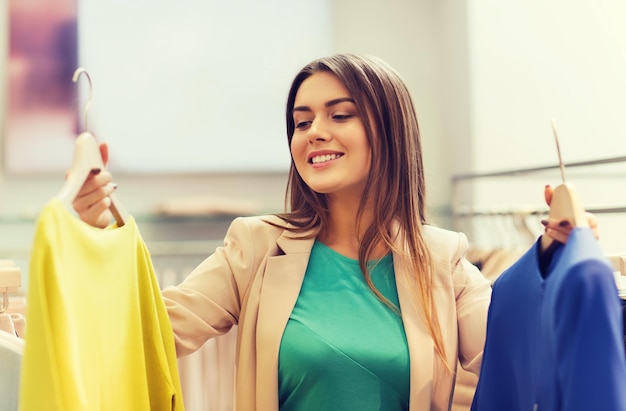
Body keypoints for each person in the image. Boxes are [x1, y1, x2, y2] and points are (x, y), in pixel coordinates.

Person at [72, 53, 593, 411]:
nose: (314, 131)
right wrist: (94, 238)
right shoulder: (256, 247)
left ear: (388, 132)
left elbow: (515, 351)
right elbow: (151, 327)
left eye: (339, 114)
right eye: (301, 122)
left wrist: (558, 257)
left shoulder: (444, 259)